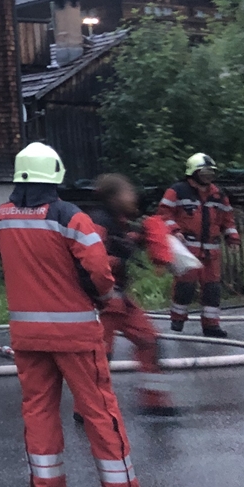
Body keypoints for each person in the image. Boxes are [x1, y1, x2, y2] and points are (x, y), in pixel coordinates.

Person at [0, 142, 138, 487]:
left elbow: (6, 258)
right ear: (55, 174)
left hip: (27, 337)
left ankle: (47, 485)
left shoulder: (1, 217)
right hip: (75, 336)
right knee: (100, 413)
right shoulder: (70, 217)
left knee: (38, 412)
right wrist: (105, 298)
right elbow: (100, 272)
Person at [79, 174, 175, 416]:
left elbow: (122, 243)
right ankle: (87, 410)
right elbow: (88, 261)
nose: (133, 197)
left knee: (150, 342)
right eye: (128, 192)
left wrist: (142, 238)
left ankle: (155, 402)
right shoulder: (98, 222)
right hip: (102, 301)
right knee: (101, 358)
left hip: (119, 299)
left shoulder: (117, 222)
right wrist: (118, 259)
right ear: (114, 196)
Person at [159, 153, 241, 337]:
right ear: (193, 173)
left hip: (211, 252)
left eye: (211, 173)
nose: (208, 177)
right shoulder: (177, 191)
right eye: (204, 173)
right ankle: (177, 322)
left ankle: (211, 325)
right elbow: (164, 214)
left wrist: (232, 238)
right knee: (184, 287)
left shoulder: (218, 195)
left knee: (212, 289)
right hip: (187, 250)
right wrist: (174, 231)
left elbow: (227, 220)